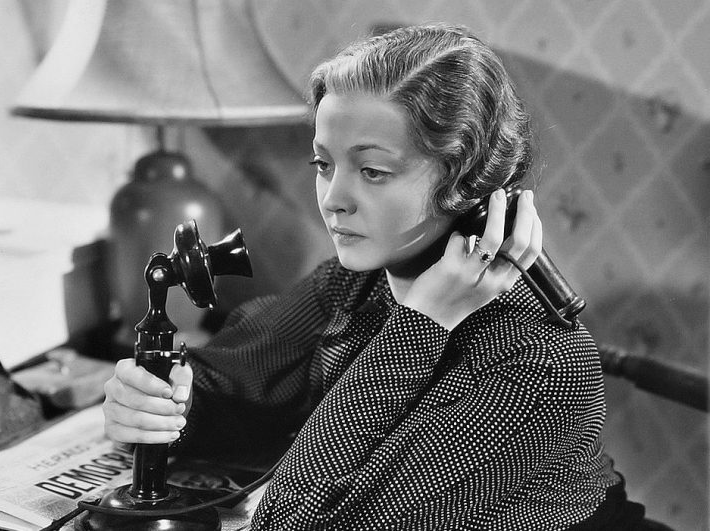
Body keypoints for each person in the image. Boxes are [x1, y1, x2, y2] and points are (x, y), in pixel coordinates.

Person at [102, 24, 645, 530]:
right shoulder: (353, 284)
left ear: (470, 187)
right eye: (323, 164)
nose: (333, 200)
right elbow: (234, 383)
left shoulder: (541, 362)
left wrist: (422, 321)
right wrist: (165, 403)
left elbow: (292, 521)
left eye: (373, 171)